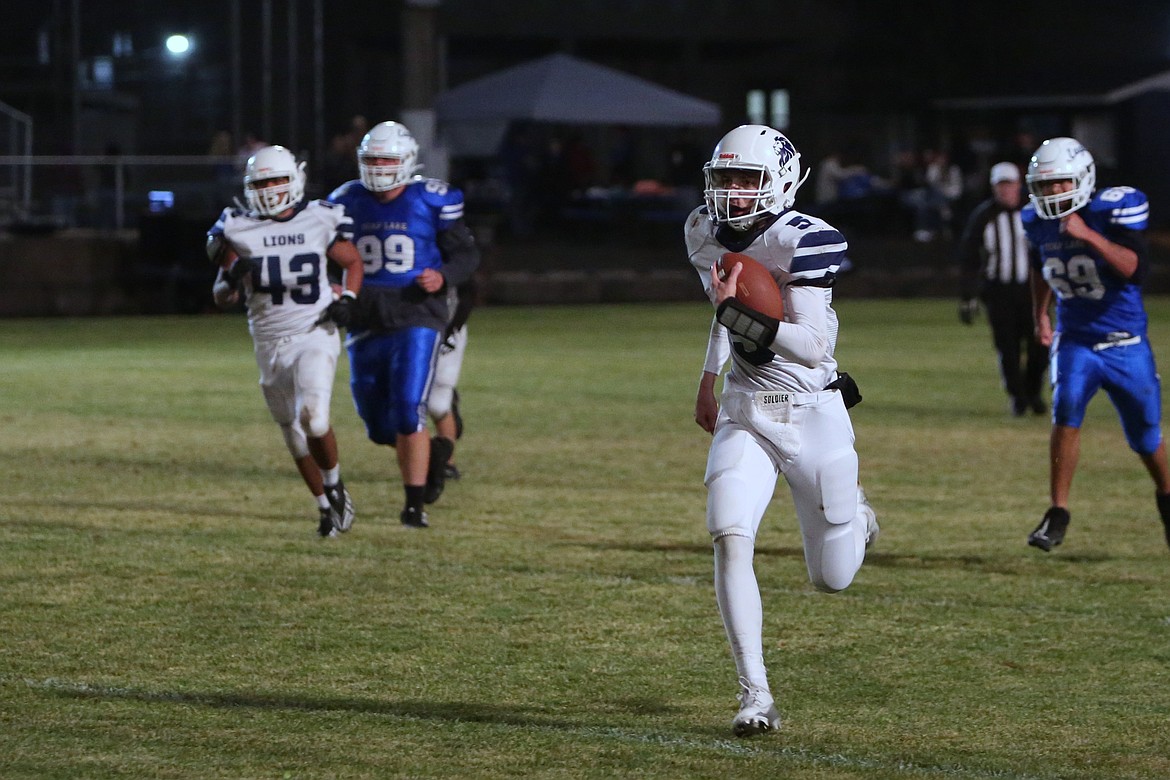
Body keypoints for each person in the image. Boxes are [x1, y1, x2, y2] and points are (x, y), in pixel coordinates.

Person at [686, 124, 879, 737]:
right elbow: (726, 304)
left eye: (748, 180)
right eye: (725, 180)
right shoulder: (701, 228)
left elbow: (814, 346)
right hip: (748, 408)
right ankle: (755, 693)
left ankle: (862, 517)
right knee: (728, 531)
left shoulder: (804, 240)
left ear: (782, 182)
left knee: (832, 578)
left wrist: (737, 316)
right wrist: (709, 375)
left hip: (812, 409)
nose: (733, 194)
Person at [328, 121, 480, 529]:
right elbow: (331, 257)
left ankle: (413, 507)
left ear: (407, 162)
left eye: (386, 159)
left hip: (417, 311)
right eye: (371, 159)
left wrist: (443, 276)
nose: (378, 167)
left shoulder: (431, 199)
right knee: (380, 427)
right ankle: (431, 454)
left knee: (409, 408)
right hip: (365, 314)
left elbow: (467, 257)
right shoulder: (345, 200)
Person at [1022, 136, 1170, 552]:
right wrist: (1040, 313)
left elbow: (1135, 270)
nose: (1052, 193)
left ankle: (1166, 496)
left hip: (1126, 343)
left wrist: (1088, 235)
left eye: (1060, 184)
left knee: (1145, 436)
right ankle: (1058, 511)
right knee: (1065, 409)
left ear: (1083, 180)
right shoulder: (1035, 222)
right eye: (1045, 185)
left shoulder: (1113, 212)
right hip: (1076, 340)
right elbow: (1041, 265)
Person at [207, 144, 363, 538]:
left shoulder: (319, 217)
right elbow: (221, 295)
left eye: (278, 179)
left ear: (295, 179)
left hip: (315, 332)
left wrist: (348, 298)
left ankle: (334, 482)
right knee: (293, 435)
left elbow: (352, 261)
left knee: (314, 417)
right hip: (268, 341)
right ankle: (326, 507)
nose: (271, 188)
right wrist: (231, 277)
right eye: (262, 182)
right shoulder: (237, 226)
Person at [956, 161, 1048, 416]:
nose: (1006, 190)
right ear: (994, 187)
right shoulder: (984, 216)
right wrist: (968, 296)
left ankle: (1033, 392)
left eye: (1010, 184)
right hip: (998, 292)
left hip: (1032, 291)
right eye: (1001, 185)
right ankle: (1018, 398)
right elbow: (969, 257)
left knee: (1040, 346)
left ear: (1019, 185)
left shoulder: (1034, 212)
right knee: (1007, 348)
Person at [426, 277, 476, 480]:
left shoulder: (452, 249)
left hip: (444, 326)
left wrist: (452, 327)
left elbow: (469, 288)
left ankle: (447, 462)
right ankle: (426, 452)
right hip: (404, 327)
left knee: (438, 404)